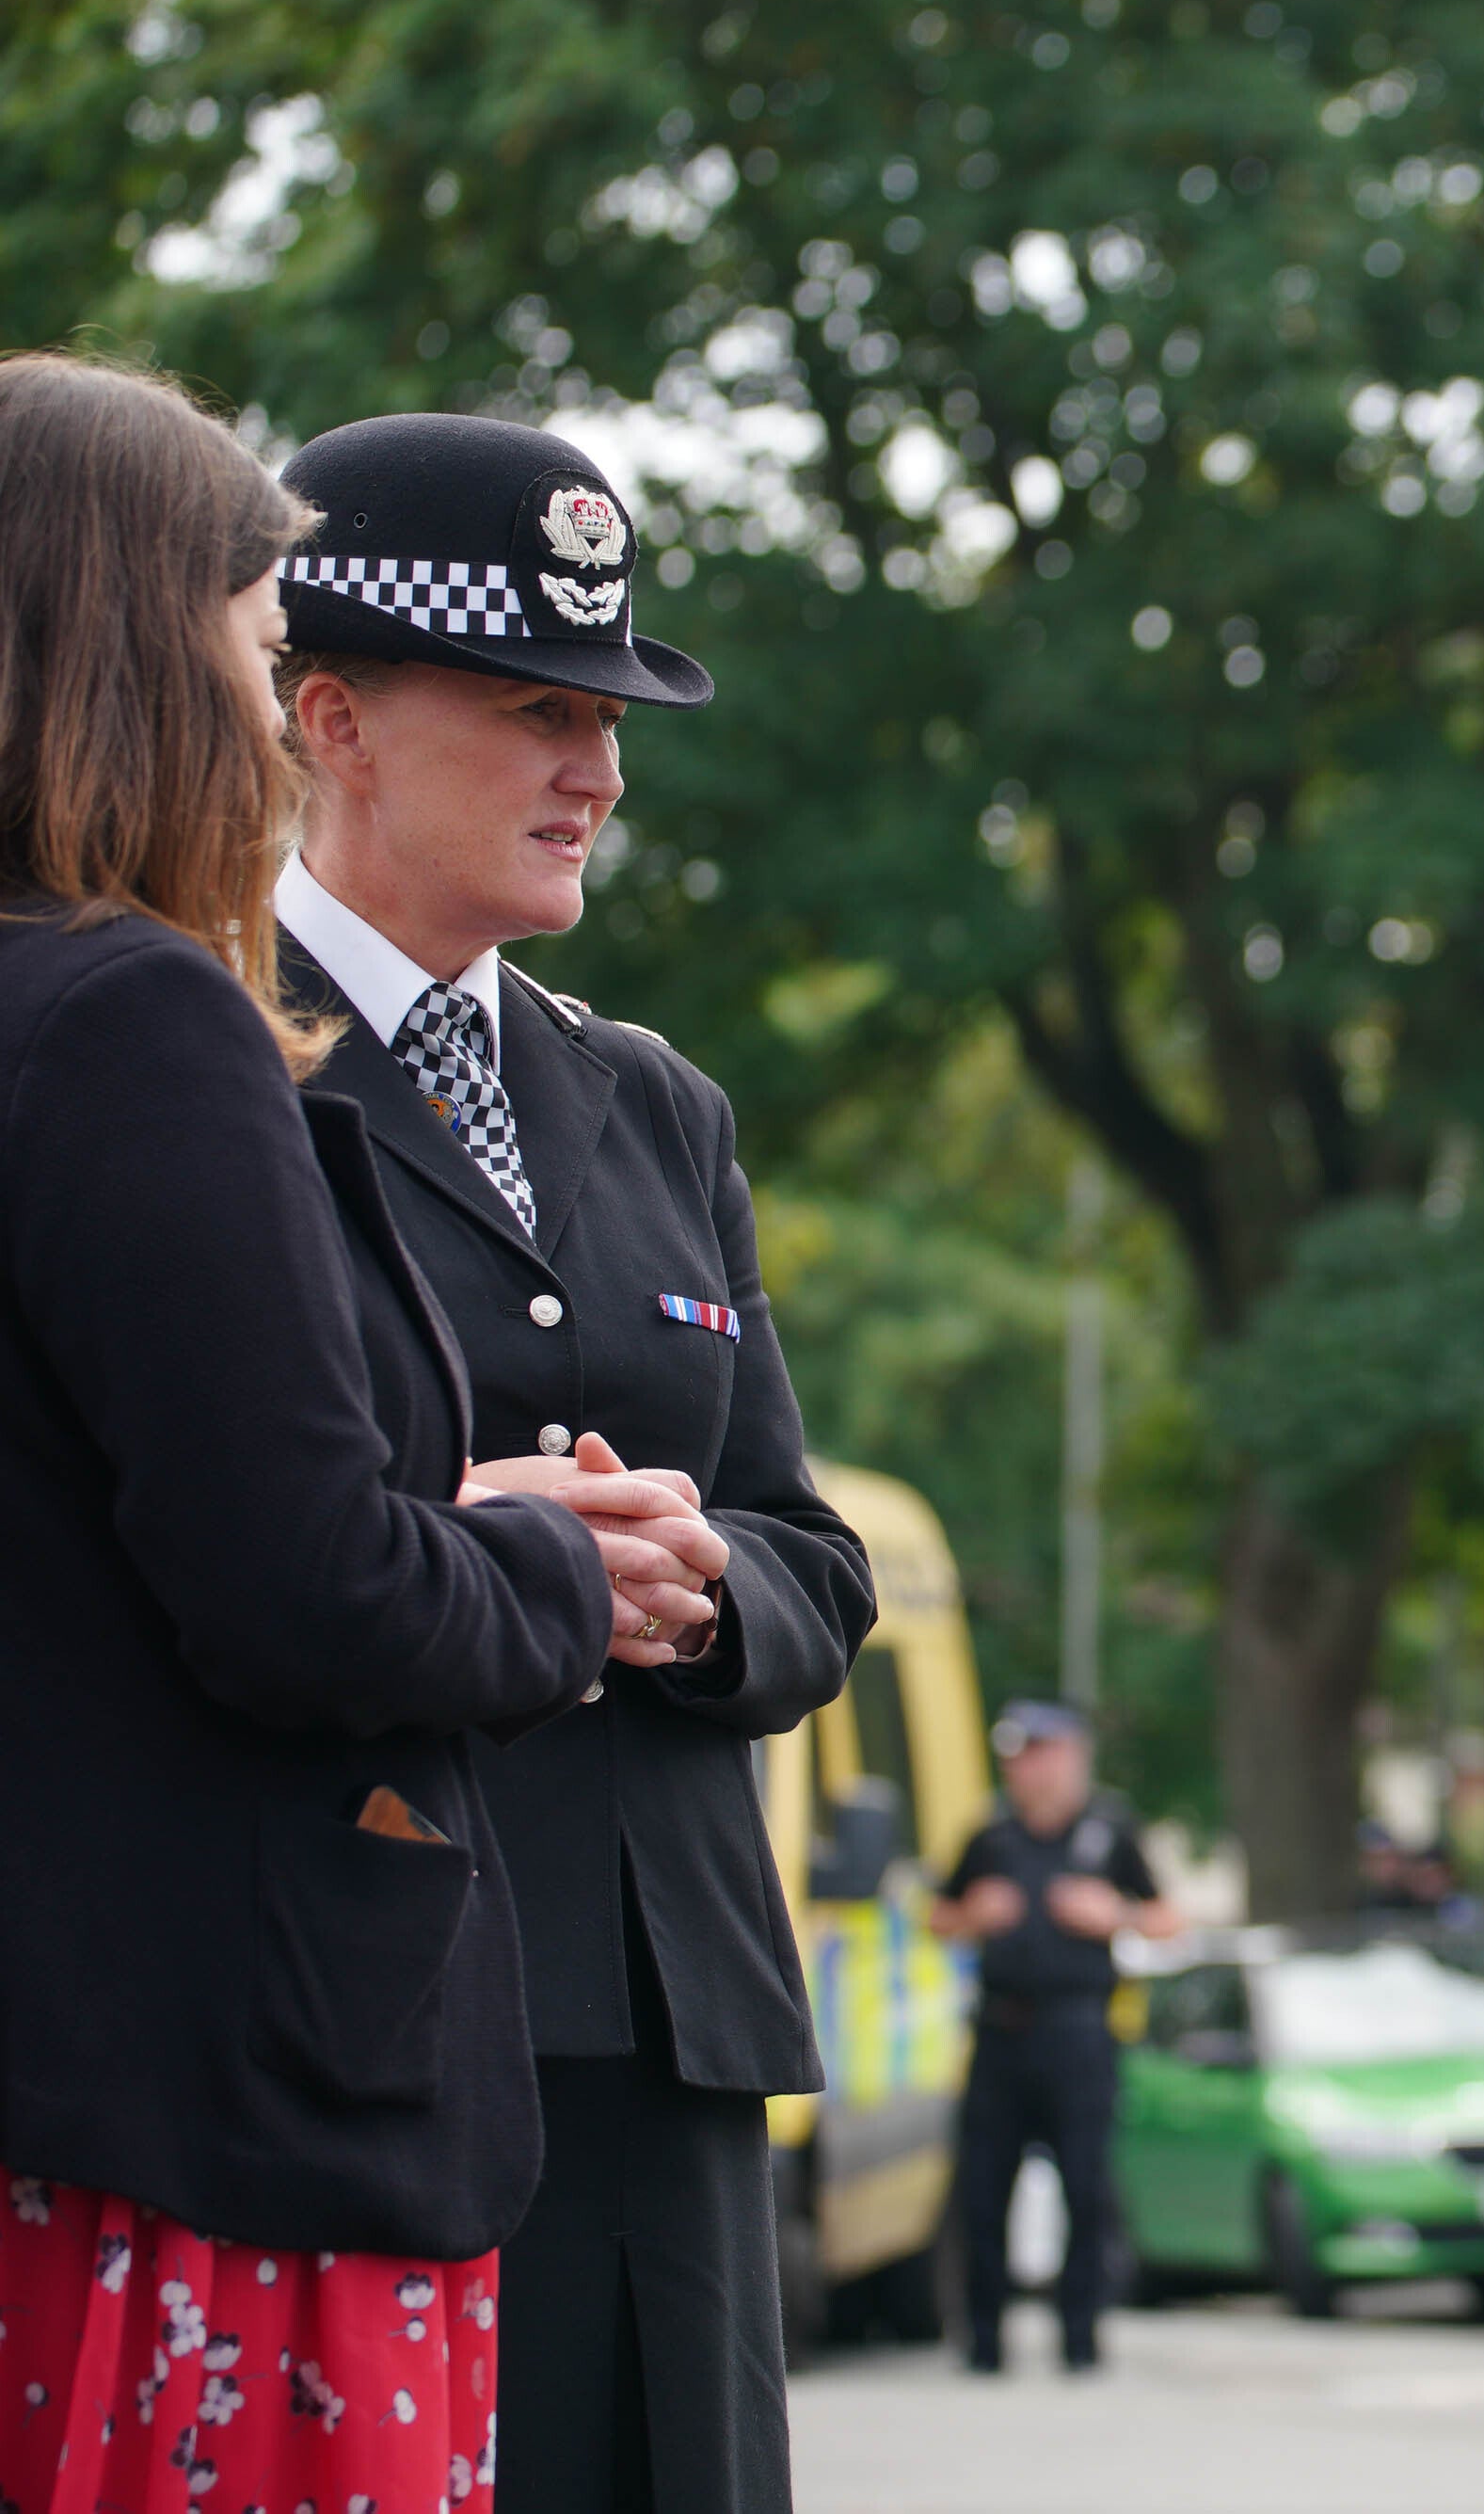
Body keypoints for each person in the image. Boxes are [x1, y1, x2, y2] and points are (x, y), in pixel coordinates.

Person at [0, 354, 656, 2514]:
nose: (258, 691)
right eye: (247, 636)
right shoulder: (137, 1015)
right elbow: (306, 1592)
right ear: (139, 650)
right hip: (214, 2121)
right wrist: (537, 1556)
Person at [269, 412, 879, 2514]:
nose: (597, 770)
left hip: (666, 2015)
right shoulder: (183, 1047)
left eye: (606, 713)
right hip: (355, 1994)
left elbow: (814, 1555)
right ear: (333, 718)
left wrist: (695, 1579)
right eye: (538, 708)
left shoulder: (648, 1103)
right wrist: (478, 1559)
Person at [932, 1701, 1182, 2373]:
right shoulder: (991, 1838)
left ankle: (1080, 2339)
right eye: (1014, 1756)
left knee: (1085, 2188)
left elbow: (1167, 1918)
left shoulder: (1109, 1832)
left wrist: (1115, 1914)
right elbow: (937, 1913)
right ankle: (983, 2341)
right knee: (983, 2190)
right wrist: (969, 1916)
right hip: (1000, 2031)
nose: (1024, 1768)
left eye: (1036, 1753)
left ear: (1070, 1755)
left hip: (1077, 2032)